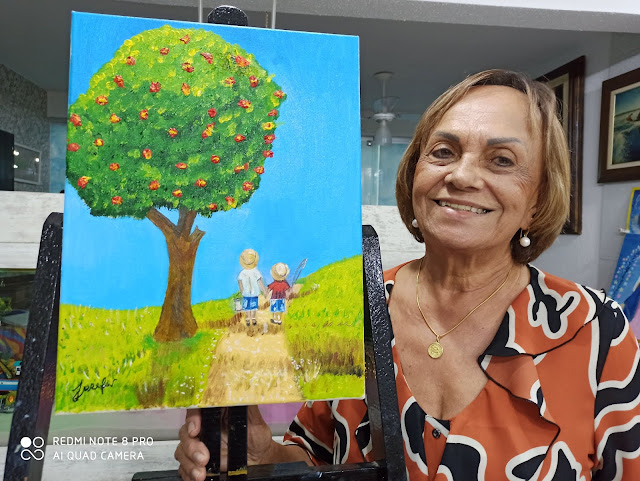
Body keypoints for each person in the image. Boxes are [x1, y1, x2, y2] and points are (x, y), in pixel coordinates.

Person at [176, 70, 640, 480]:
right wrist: (262, 457)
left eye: (501, 160)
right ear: (415, 171)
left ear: (537, 200)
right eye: (443, 151)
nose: (461, 176)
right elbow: (315, 457)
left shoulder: (597, 330)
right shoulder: (354, 307)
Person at [237, 248, 266, 327]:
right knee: (253, 307)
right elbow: (260, 282)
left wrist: (241, 291)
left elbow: (239, 282)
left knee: (247, 307)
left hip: (246, 293)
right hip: (254, 293)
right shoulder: (256, 271)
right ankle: (253, 318)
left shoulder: (242, 272)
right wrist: (264, 291)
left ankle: (248, 319)